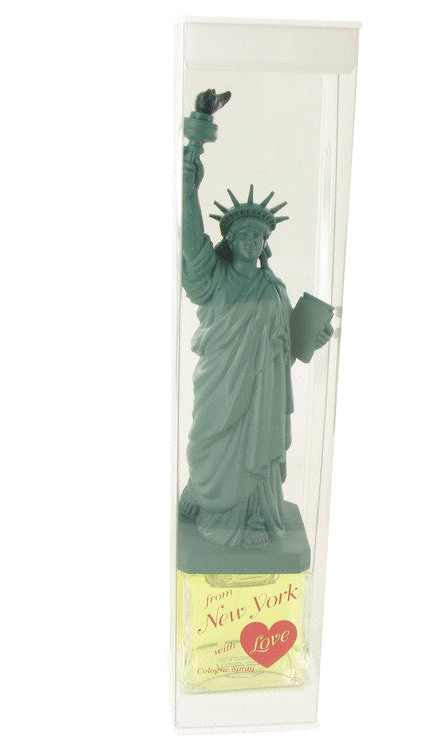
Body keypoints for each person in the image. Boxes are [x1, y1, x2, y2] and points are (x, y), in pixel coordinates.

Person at [179, 150, 332, 548]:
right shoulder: (213, 278)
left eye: (257, 236)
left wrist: (312, 337)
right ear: (230, 240)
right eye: (243, 235)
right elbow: (193, 247)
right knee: (206, 441)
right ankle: (203, 496)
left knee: (255, 450)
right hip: (220, 384)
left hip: (262, 395)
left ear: (265, 243)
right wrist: (189, 192)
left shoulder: (274, 289)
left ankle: (253, 516)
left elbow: (285, 348)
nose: (250, 241)